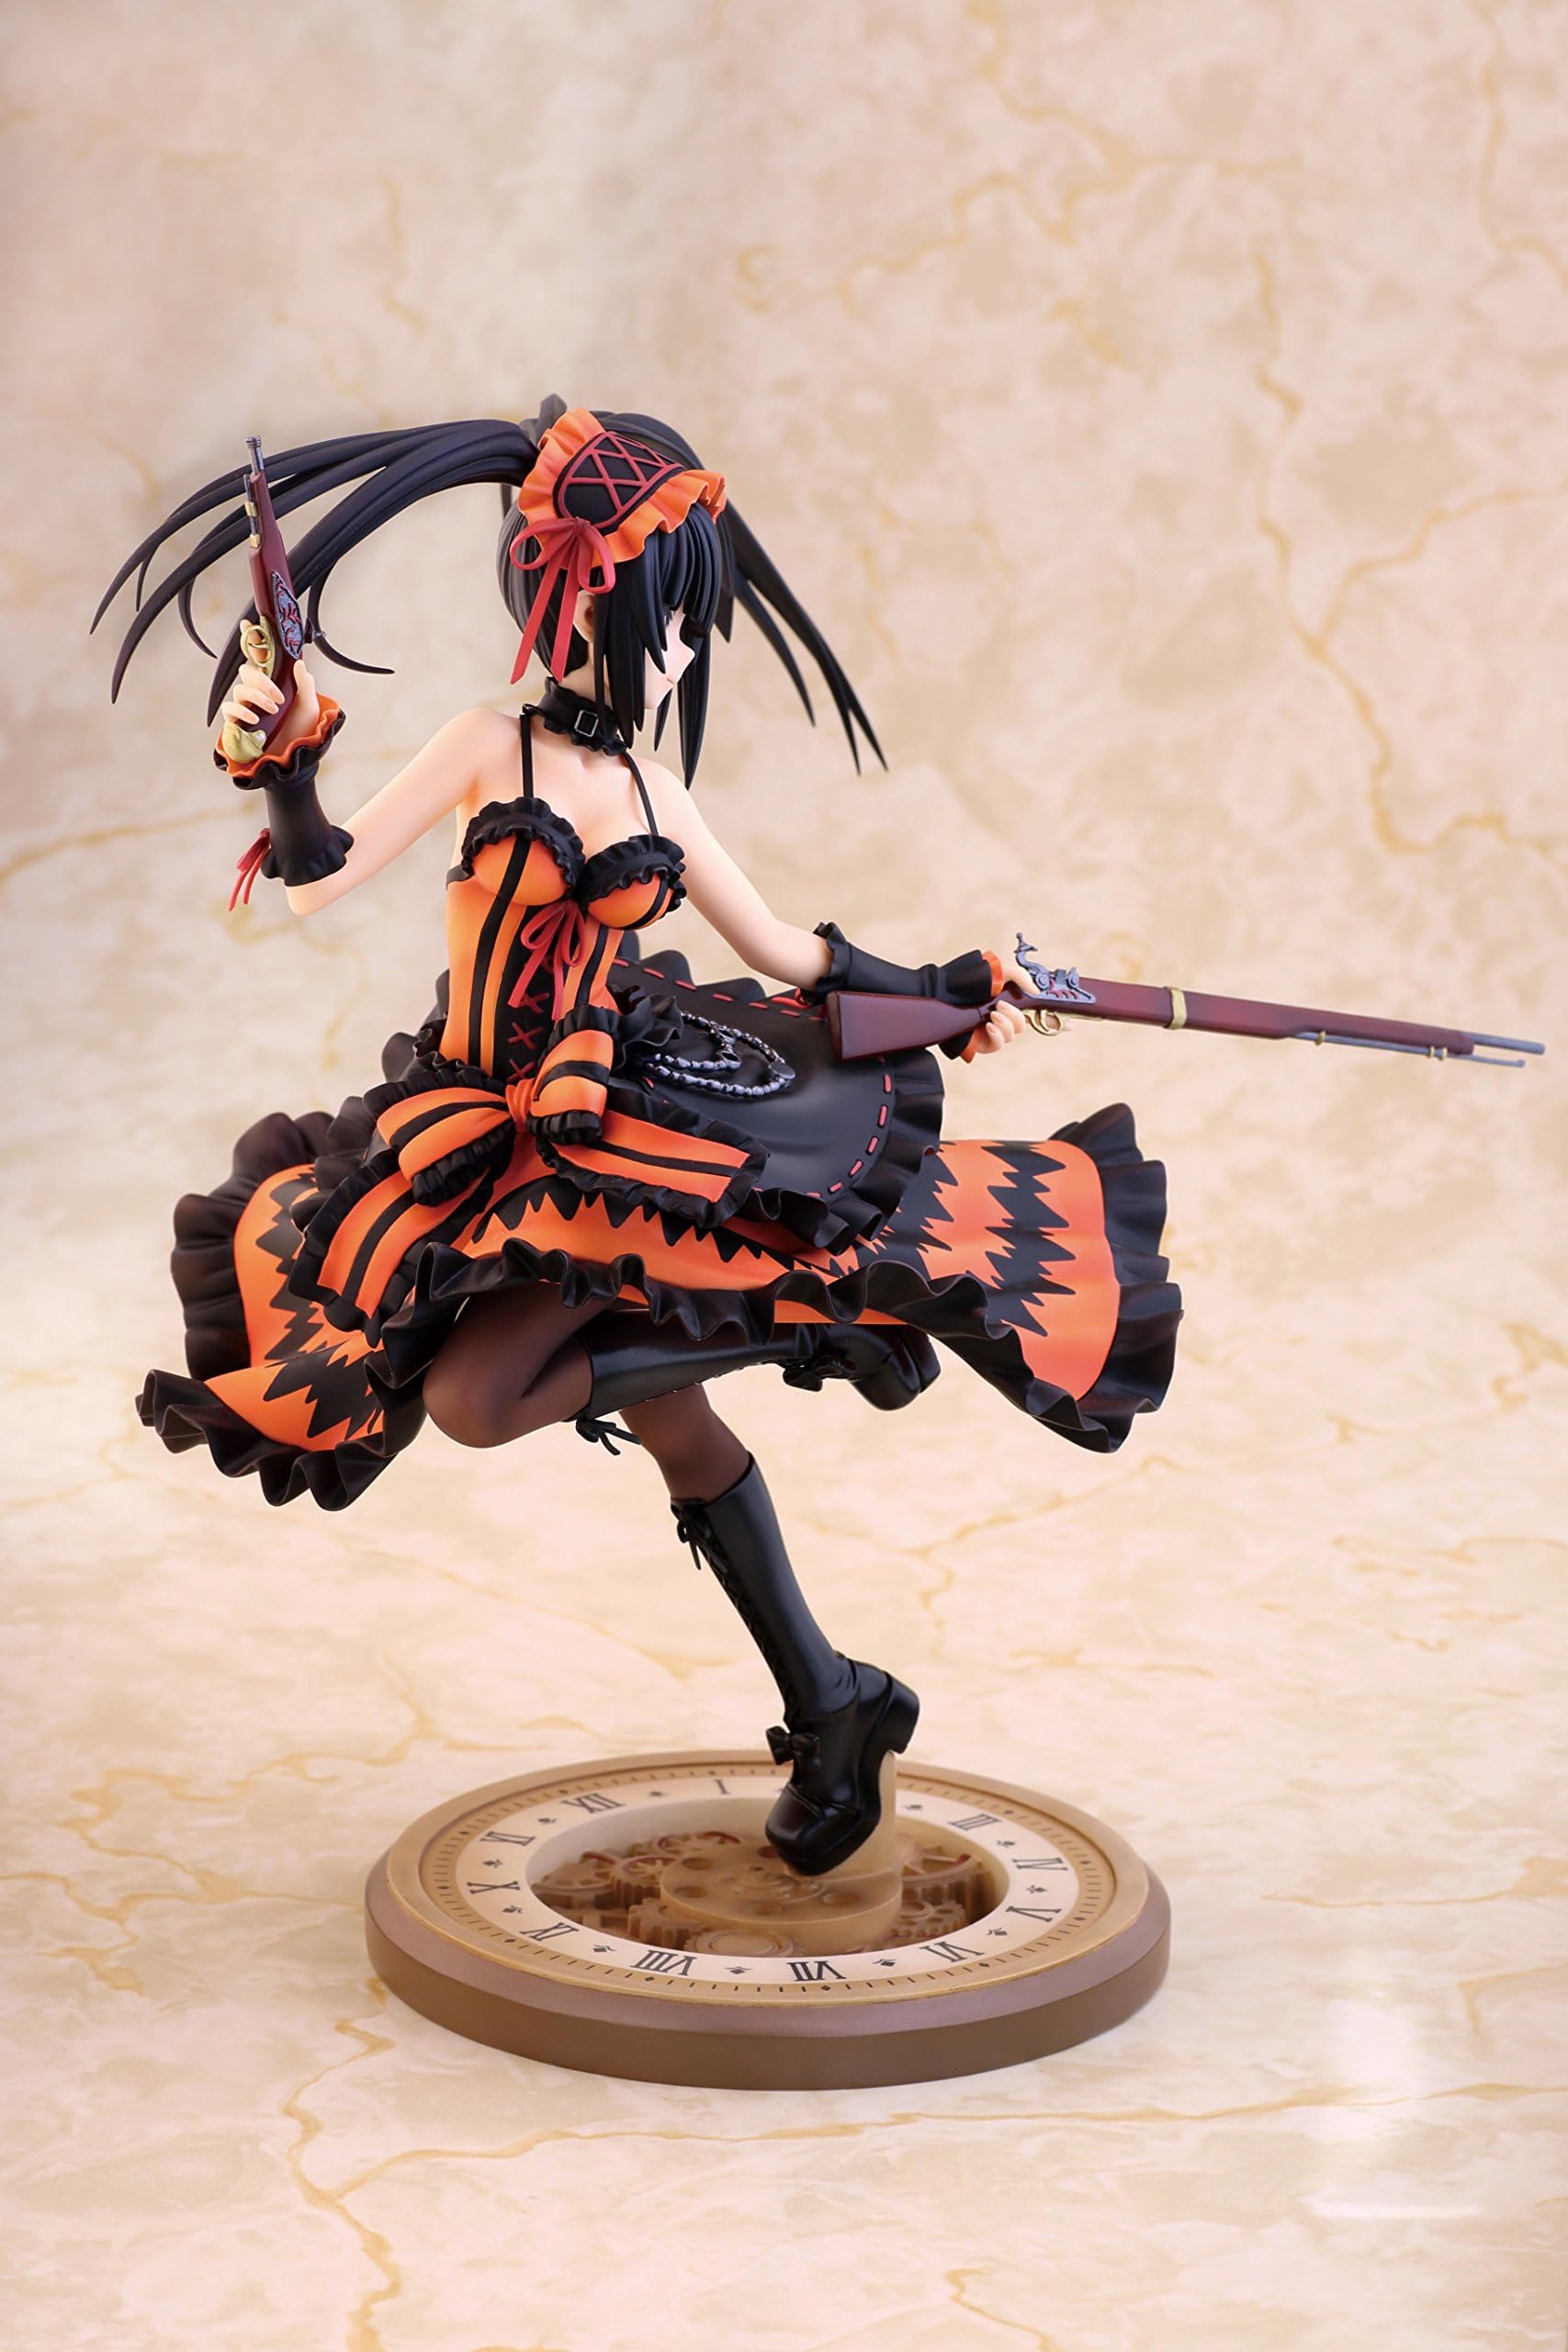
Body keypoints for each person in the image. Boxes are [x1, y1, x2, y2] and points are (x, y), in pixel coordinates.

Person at [100, 398, 1181, 1875]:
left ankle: (809, 1346)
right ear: (578, 601)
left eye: (692, 626)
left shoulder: (658, 790)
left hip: (625, 1112)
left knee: (485, 1398)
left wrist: (957, 991)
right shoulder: (487, 747)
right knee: (605, 1411)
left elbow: (791, 953)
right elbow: (318, 879)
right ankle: (838, 1695)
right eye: (667, 620)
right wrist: (282, 769)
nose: (679, 653)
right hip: (485, 1118)